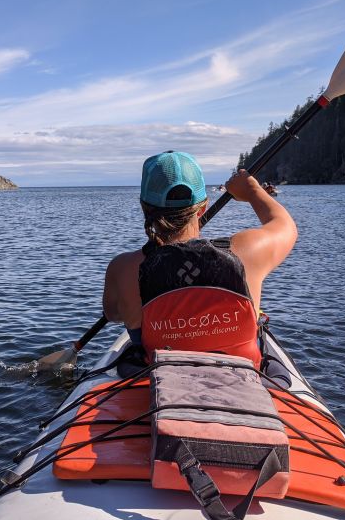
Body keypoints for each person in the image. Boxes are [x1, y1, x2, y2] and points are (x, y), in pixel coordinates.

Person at [102, 150, 297, 365]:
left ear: (144, 208)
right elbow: (286, 226)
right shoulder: (248, 251)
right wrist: (251, 190)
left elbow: (113, 314)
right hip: (242, 382)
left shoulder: (122, 268)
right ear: (203, 206)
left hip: (161, 384)